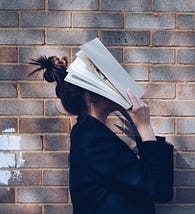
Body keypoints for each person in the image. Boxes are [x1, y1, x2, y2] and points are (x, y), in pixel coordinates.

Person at [29, 56, 174, 214]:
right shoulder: (94, 141)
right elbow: (158, 188)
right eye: (107, 82)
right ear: (92, 94)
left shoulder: (90, 133)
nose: (116, 87)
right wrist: (144, 126)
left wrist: (137, 124)